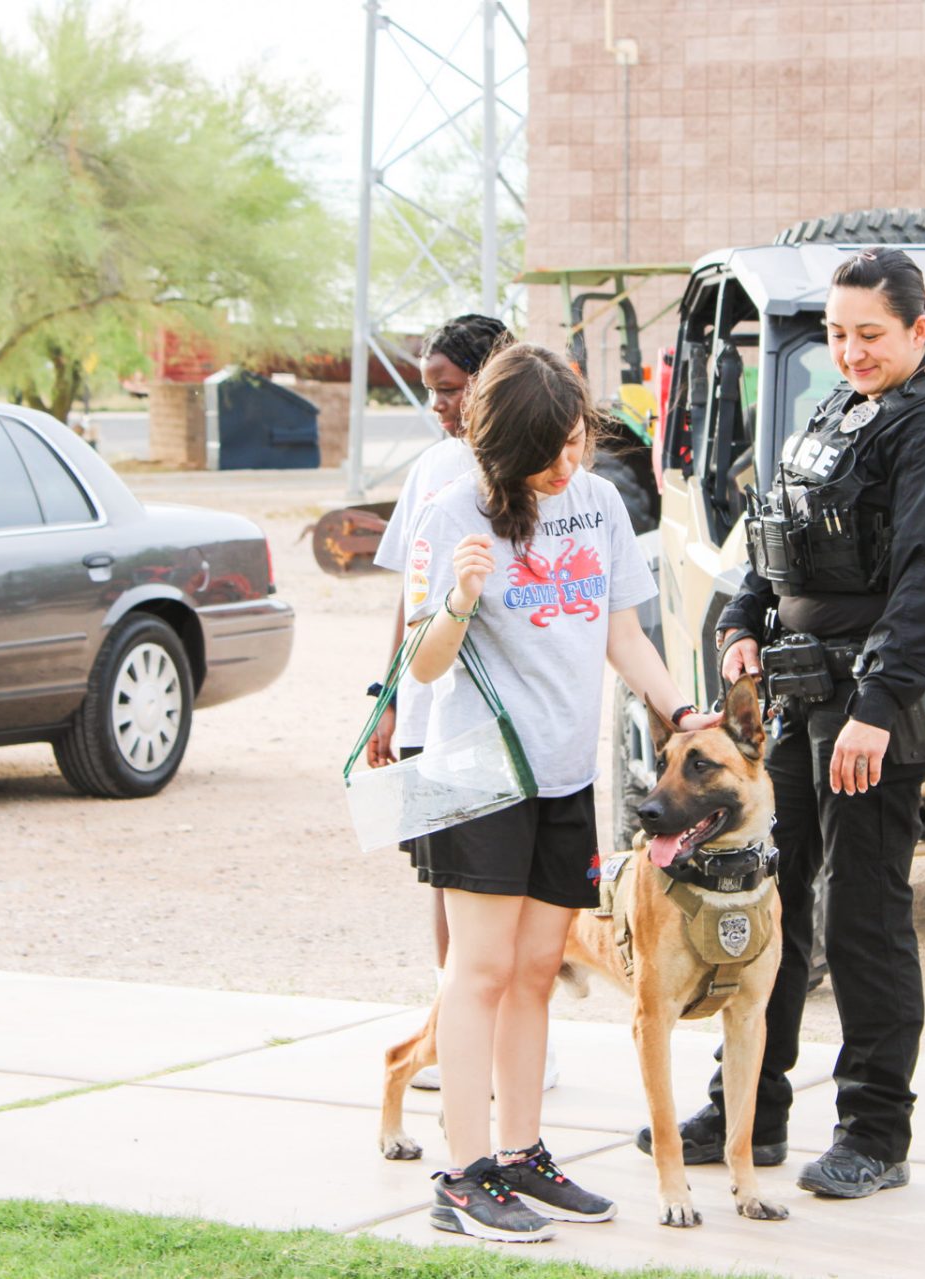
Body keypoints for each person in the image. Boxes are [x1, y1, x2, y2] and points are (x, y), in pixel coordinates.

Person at [644, 247, 925, 1198]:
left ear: (922, 326)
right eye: (837, 334)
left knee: (864, 916)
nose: (849, 351)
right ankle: (750, 1113)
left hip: (868, 709)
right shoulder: (840, 410)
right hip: (794, 700)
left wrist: (878, 709)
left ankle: (875, 1133)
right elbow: (779, 523)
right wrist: (738, 623)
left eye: (870, 335)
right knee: (766, 902)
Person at [402, 342, 719, 1242]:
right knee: (484, 968)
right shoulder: (453, 509)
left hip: (561, 772)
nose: (566, 464)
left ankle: (519, 1153)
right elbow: (420, 664)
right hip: (474, 774)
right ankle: (460, 1176)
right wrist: (460, 597)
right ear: (498, 448)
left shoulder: (599, 501)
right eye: (546, 454)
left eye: (574, 441)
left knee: (540, 968)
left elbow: (622, 631)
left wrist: (682, 709)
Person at [366, 314, 552, 1091]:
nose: (439, 404)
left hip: (500, 716)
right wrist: (385, 697)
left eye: (450, 388)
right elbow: (410, 600)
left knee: (511, 900)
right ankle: (453, 1038)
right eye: (432, 389)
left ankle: (515, 1053)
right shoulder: (432, 470)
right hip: (426, 706)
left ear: (492, 378)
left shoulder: (543, 468)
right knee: (449, 886)